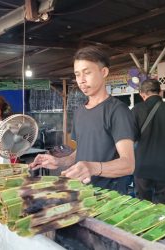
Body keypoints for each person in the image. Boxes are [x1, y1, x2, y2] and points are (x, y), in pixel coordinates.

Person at [29, 46, 136, 194]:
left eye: (87, 73)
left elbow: (128, 164)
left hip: (109, 198)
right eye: (77, 74)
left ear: (103, 72)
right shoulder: (80, 112)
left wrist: (92, 168)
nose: (81, 80)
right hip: (81, 194)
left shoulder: (118, 111)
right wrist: (59, 162)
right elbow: (80, 154)